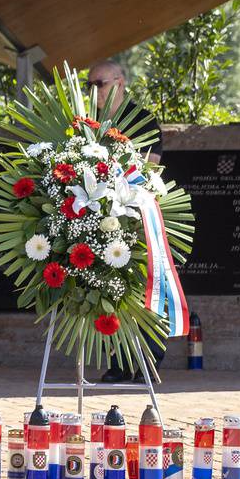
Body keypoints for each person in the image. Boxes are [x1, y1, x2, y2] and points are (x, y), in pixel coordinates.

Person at [88, 59, 166, 384]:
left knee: (140, 290)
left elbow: (151, 170)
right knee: (108, 290)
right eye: (88, 85)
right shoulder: (88, 123)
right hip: (100, 218)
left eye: (99, 84)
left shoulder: (143, 121)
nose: (93, 92)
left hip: (137, 217)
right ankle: (118, 361)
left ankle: (148, 358)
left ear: (119, 83)